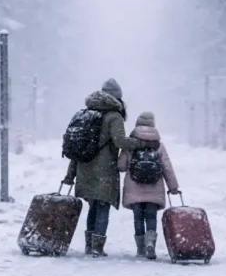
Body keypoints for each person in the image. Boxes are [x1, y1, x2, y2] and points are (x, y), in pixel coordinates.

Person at [63, 79, 159, 257]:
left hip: (85, 167)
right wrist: (143, 143)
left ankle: (89, 245)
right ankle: (97, 247)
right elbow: (120, 141)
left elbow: (78, 147)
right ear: (117, 98)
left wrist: (70, 175)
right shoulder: (114, 116)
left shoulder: (88, 113)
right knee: (103, 206)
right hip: (104, 169)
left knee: (93, 206)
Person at [117, 111, 179, 259]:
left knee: (138, 218)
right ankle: (150, 243)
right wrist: (173, 186)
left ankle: (141, 248)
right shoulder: (158, 145)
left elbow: (121, 166)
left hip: (134, 187)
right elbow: (167, 167)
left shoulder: (130, 144)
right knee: (151, 217)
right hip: (154, 188)